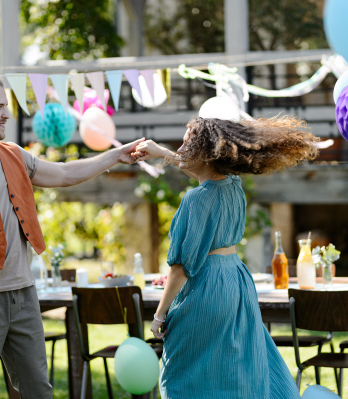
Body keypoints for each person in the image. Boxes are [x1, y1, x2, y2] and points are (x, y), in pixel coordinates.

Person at [0, 70, 144, 398]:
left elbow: (65, 174)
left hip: (23, 296)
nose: (6, 114)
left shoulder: (14, 155)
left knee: (39, 390)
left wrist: (116, 154)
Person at [134, 116, 319, 398]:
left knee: (184, 374)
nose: (181, 150)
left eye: (187, 144)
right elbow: (203, 174)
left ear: (206, 154)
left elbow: (181, 268)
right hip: (235, 283)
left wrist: (159, 316)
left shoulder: (195, 199)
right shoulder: (232, 185)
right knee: (235, 368)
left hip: (205, 288)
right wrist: (163, 154)